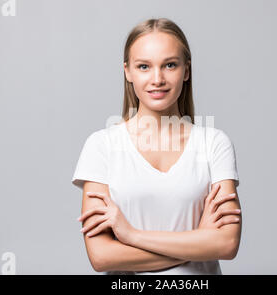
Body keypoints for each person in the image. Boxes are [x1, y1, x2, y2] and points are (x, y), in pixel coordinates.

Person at [72, 18, 242, 275]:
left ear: (186, 70)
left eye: (170, 65)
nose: (157, 78)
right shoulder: (101, 146)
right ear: (128, 71)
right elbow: (102, 257)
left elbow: (226, 244)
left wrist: (130, 235)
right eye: (144, 66)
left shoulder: (214, 144)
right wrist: (199, 240)